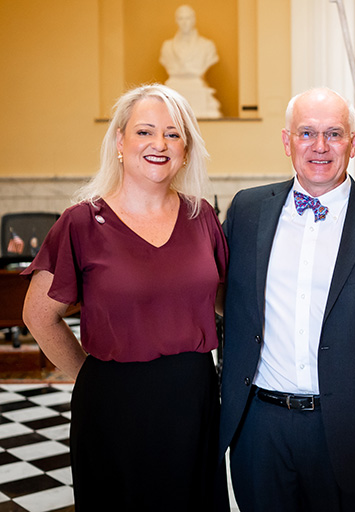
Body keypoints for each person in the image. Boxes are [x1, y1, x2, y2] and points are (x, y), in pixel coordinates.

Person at [219, 87, 355, 511]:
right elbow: (217, 296)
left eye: (333, 134)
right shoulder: (247, 211)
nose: (319, 147)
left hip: (352, 431)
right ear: (286, 141)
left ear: (352, 144)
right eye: (306, 133)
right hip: (259, 427)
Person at [21, 84, 228, 510]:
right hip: (114, 407)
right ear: (119, 141)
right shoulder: (81, 223)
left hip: (193, 401)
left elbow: (226, 301)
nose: (159, 144)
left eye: (173, 134)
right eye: (145, 132)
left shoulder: (201, 215)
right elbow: (39, 315)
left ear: (185, 149)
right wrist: (92, 377)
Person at [160, 5, 222, 118]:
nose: (184, 22)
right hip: (174, 83)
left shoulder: (207, 46)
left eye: (187, 18)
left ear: (194, 20)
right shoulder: (167, 47)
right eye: (181, 18)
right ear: (176, 21)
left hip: (197, 86)